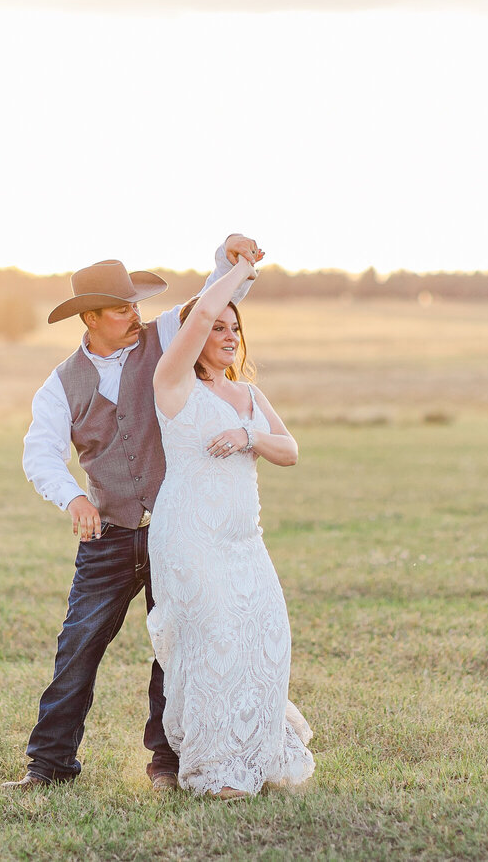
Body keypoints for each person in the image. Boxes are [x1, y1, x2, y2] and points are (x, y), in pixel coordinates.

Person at [5, 235, 263, 792]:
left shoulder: (163, 335)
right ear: (91, 318)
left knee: (175, 646)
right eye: (122, 308)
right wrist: (73, 497)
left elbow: (209, 307)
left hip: (176, 528)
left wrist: (231, 261)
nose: (134, 314)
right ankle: (49, 767)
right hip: (109, 532)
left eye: (134, 303)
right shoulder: (59, 383)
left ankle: (166, 763)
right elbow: (40, 453)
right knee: (78, 646)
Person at [146, 254, 314, 798]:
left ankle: (253, 758)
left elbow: (289, 450)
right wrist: (237, 272)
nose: (227, 335)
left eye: (235, 328)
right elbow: (196, 318)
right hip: (190, 538)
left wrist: (249, 437)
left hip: (245, 540)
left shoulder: (247, 395)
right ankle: (215, 773)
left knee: (266, 638)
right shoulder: (173, 385)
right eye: (218, 327)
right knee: (216, 642)